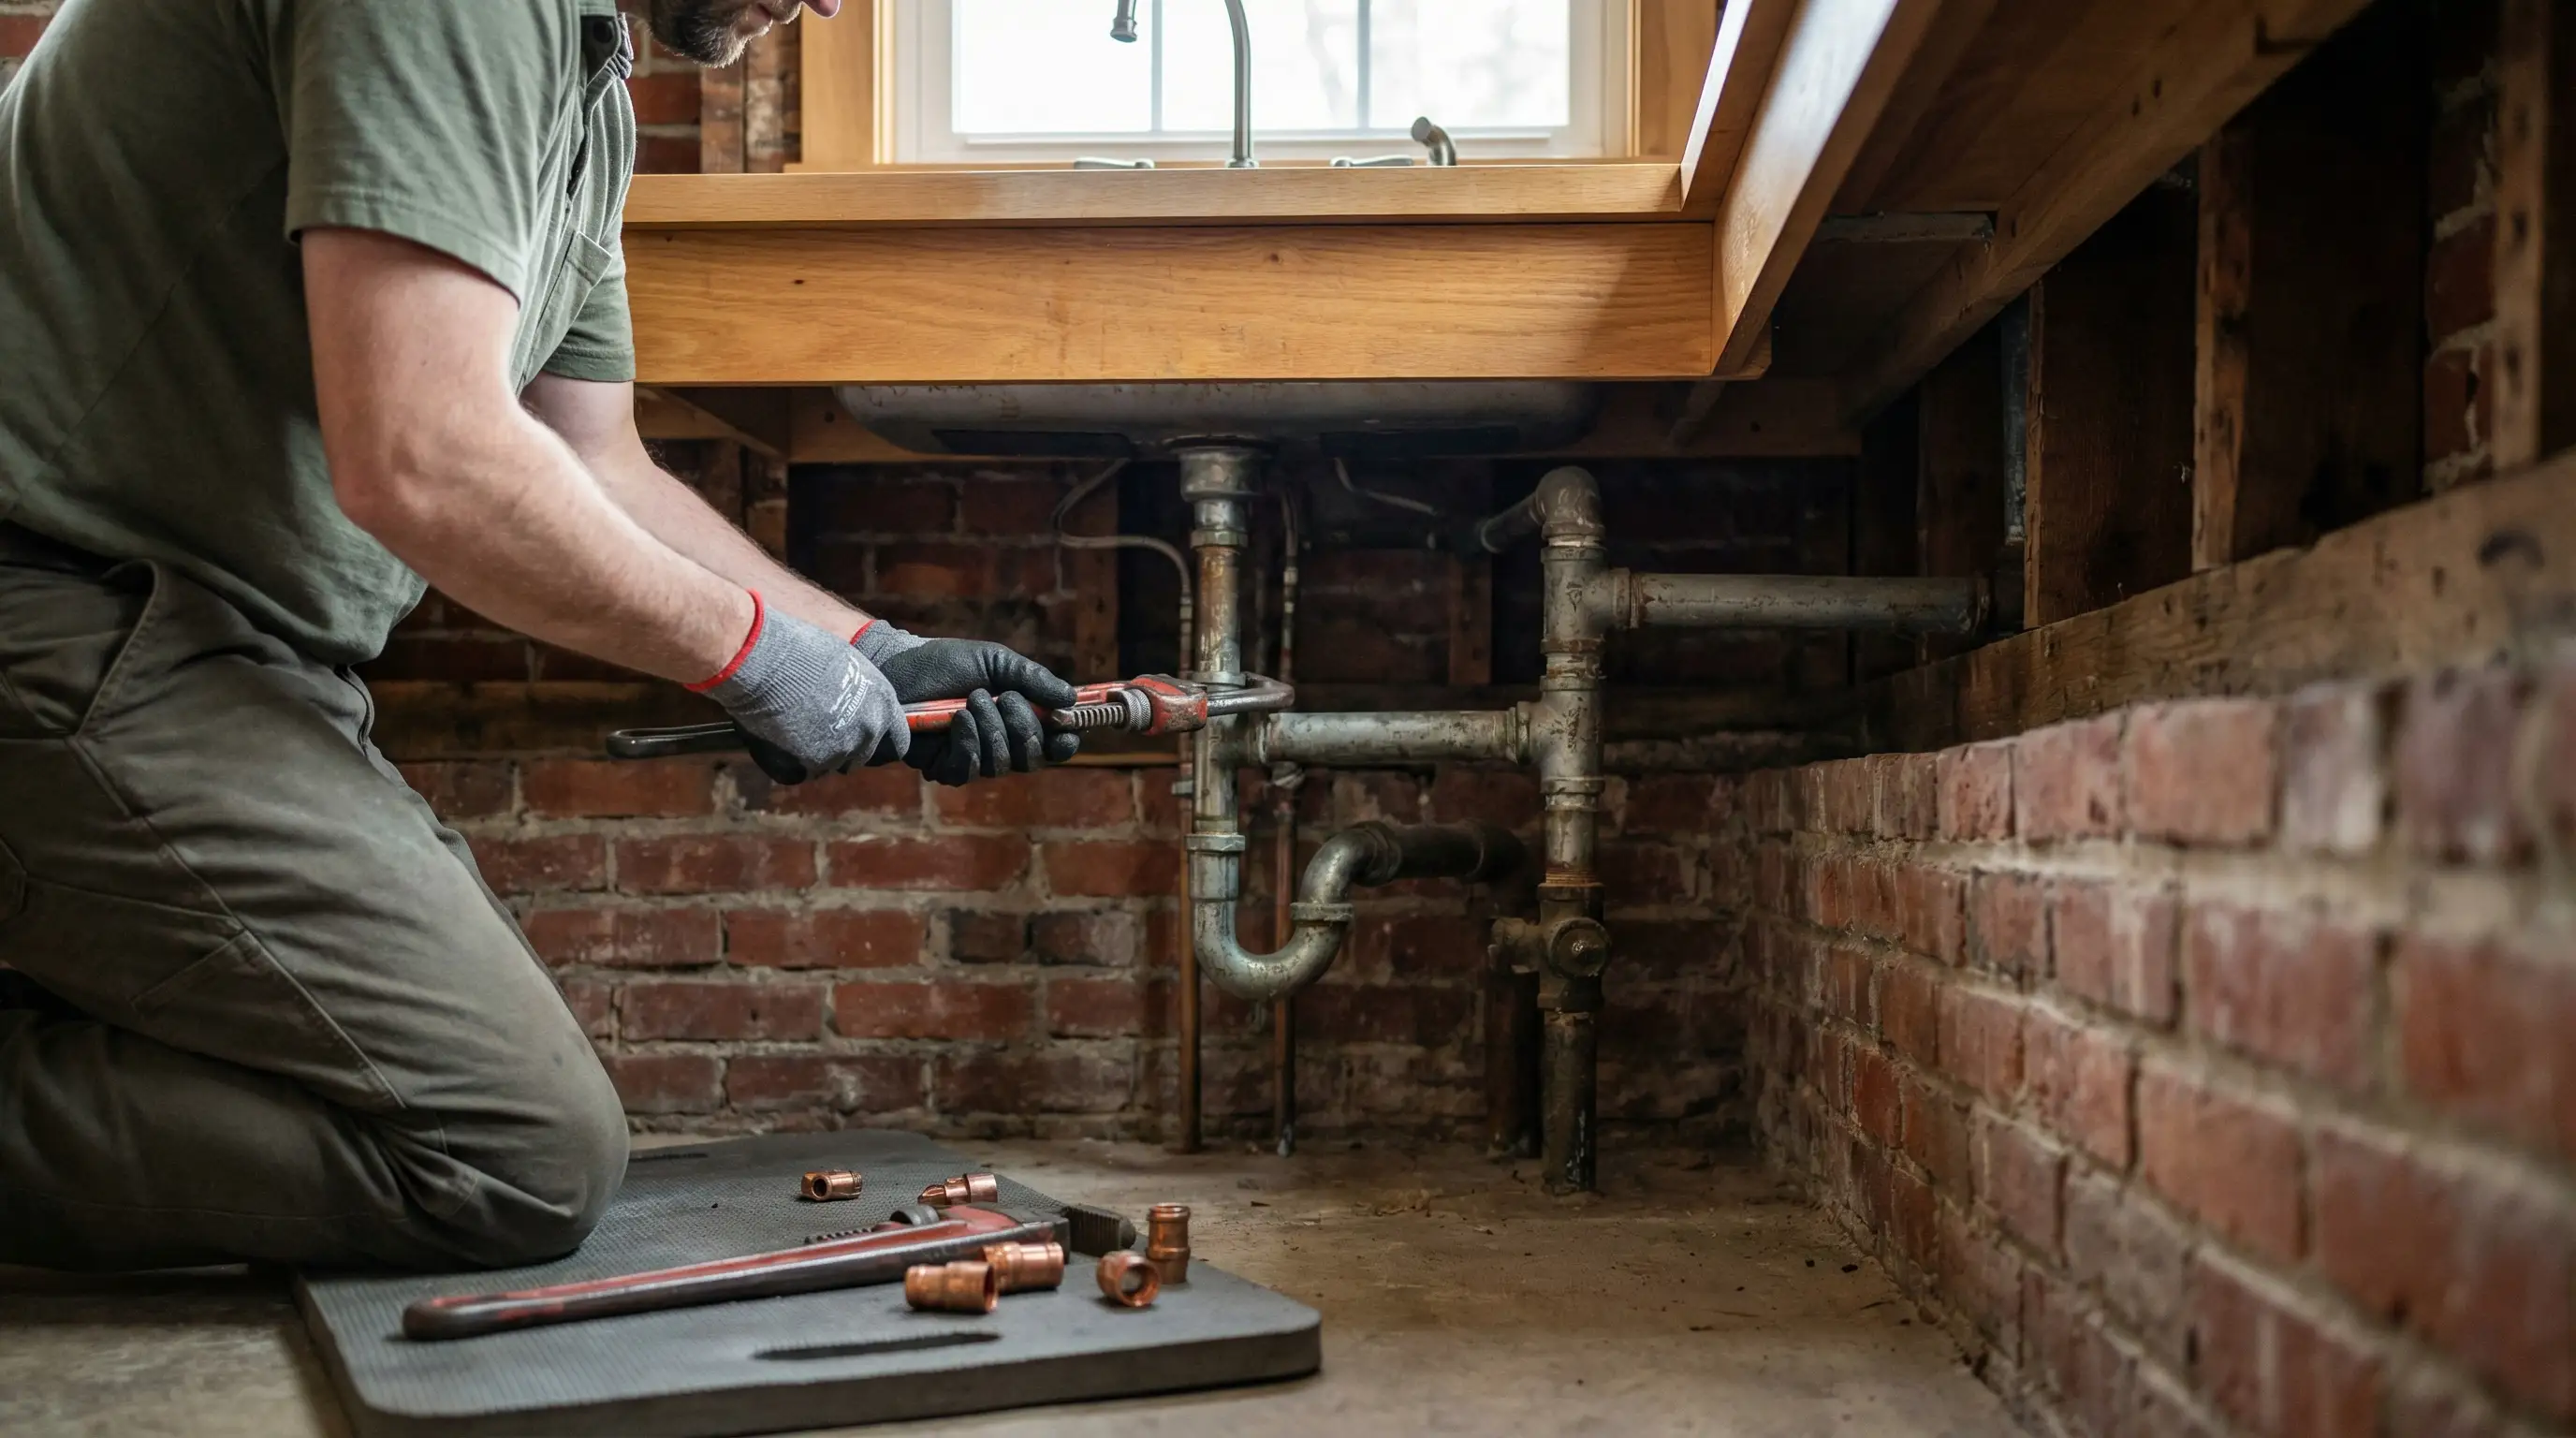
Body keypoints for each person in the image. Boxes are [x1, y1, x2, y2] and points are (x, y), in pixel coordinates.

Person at [0, 0, 1077, 1271]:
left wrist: (869, 651)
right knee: (510, 1154)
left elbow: (587, 453)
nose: (832, 6)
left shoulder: (585, 83)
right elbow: (427, 456)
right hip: (62, 599)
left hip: (204, 642)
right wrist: (759, 659)